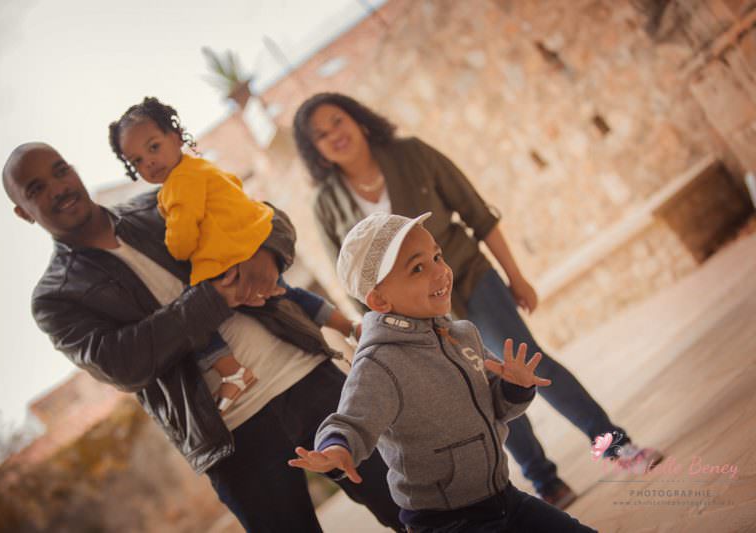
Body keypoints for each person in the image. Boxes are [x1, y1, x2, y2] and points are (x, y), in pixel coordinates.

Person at [1, 142, 404, 532]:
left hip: (307, 379)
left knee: (409, 504)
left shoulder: (160, 202)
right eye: (36, 188)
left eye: (60, 171)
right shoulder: (55, 297)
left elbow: (269, 218)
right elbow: (123, 363)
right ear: (23, 212)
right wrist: (213, 297)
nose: (57, 187)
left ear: (73, 169)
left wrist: (264, 253)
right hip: (231, 438)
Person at [292, 92, 664, 508]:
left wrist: (515, 276)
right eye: (321, 136)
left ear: (357, 119)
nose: (334, 136)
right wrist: (382, 332)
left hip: (468, 276)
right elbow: (354, 283)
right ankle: (545, 481)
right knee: (477, 384)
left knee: (526, 363)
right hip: (413, 317)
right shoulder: (326, 204)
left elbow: (476, 212)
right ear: (315, 150)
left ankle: (617, 448)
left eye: (337, 122)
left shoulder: (411, 153)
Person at [288, 212, 596, 532]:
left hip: (504, 498)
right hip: (447, 523)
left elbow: (497, 408)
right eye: (418, 268)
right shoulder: (378, 364)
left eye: (437, 256)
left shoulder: (462, 335)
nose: (440, 272)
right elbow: (351, 421)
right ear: (378, 299)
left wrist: (514, 388)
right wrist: (336, 449)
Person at [108, 96, 357, 414]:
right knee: (287, 295)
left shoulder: (178, 184)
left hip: (224, 259)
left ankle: (232, 371)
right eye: (137, 161)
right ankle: (347, 325)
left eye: (153, 147)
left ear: (174, 136)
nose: (149, 163)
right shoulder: (200, 167)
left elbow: (182, 239)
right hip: (250, 241)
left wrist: (173, 246)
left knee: (198, 318)